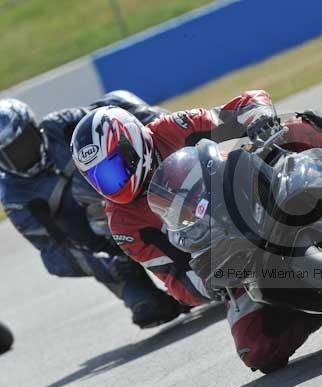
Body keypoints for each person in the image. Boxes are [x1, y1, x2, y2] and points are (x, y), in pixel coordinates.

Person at [69, 89, 322, 371]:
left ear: (134, 142)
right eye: (99, 179)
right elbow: (172, 280)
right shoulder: (122, 222)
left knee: (298, 125)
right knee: (256, 351)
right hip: (229, 255)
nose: (112, 185)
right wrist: (205, 283)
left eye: (115, 169)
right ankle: (315, 302)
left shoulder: (169, 129)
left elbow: (240, 105)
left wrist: (257, 118)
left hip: (251, 189)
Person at [0, 92, 185, 328]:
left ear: (34, 129)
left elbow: (114, 127)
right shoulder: (15, 196)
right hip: (101, 245)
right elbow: (52, 254)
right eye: (5, 155)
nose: (17, 158)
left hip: (134, 193)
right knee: (152, 310)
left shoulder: (64, 124)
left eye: (20, 145)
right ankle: (148, 288)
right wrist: (102, 263)